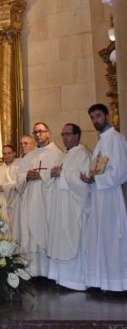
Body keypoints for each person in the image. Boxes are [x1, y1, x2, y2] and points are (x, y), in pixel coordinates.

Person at [81, 103, 127, 291]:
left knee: (112, 240)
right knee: (99, 239)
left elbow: (122, 171)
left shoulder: (116, 139)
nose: (95, 121)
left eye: (98, 116)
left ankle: (117, 284)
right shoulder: (100, 142)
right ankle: (102, 282)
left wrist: (97, 180)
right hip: (99, 197)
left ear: (107, 116)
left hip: (110, 196)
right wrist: (89, 179)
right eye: (92, 117)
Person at [46, 123, 91, 291]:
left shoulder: (83, 154)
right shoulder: (65, 155)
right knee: (60, 239)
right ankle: (61, 278)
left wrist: (62, 174)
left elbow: (85, 180)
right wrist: (54, 174)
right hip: (61, 205)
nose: (64, 137)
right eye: (63, 134)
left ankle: (75, 280)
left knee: (73, 240)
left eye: (68, 134)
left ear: (77, 136)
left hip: (73, 207)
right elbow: (57, 176)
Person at [17, 122, 63, 277]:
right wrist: (26, 177)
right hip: (31, 200)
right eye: (35, 132)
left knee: (47, 231)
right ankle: (34, 271)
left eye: (41, 131)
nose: (38, 134)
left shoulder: (57, 154)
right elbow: (20, 175)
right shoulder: (30, 156)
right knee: (31, 232)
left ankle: (49, 272)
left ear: (48, 133)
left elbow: (60, 175)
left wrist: (41, 175)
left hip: (47, 200)